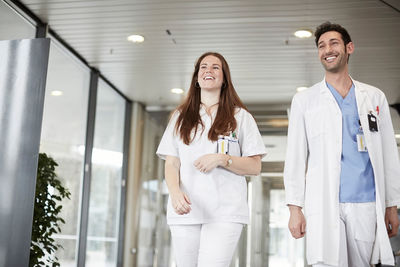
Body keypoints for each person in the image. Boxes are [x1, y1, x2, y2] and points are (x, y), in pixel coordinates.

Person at [284, 21, 400, 267]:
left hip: (366, 202)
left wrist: (391, 205)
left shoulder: (374, 97)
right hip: (324, 201)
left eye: (334, 43)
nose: (327, 50)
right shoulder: (305, 101)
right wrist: (295, 208)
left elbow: (390, 154)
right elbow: (295, 157)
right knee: (324, 262)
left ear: (349, 48)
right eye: (321, 46)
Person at [156, 52, 266, 267]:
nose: (209, 70)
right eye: (203, 67)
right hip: (185, 209)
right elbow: (172, 162)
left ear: (224, 78)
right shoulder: (180, 117)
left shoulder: (241, 117)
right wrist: (175, 192)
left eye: (216, 67)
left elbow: (255, 166)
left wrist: (223, 159)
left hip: (225, 212)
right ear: (196, 78)